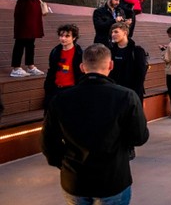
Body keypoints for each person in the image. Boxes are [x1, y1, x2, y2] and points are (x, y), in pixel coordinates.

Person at [42, 44, 149, 205]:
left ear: (82, 67)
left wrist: (64, 164)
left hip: (75, 180)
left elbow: (48, 142)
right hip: (113, 179)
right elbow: (140, 137)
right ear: (111, 65)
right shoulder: (126, 97)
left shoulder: (61, 99)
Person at [11, 0, 51, 78]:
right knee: (21, 39)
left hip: (34, 12)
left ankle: (30, 65)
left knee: (31, 40)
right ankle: (16, 67)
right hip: (24, 12)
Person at [43, 24, 84, 113]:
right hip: (55, 90)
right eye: (61, 35)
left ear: (74, 38)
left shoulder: (79, 53)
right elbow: (51, 70)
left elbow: (81, 73)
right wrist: (48, 88)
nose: (63, 38)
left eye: (67, 36)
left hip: (71, 90)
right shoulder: (55, 51)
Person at [108, 22, 148, 101]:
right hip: (115, 93)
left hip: (132, 94)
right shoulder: (110, 51)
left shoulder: (137, 51)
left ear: (125, 33)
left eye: (116, 32)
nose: (113, 34)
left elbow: (141, 75)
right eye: (112, 32)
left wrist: (134, 93)